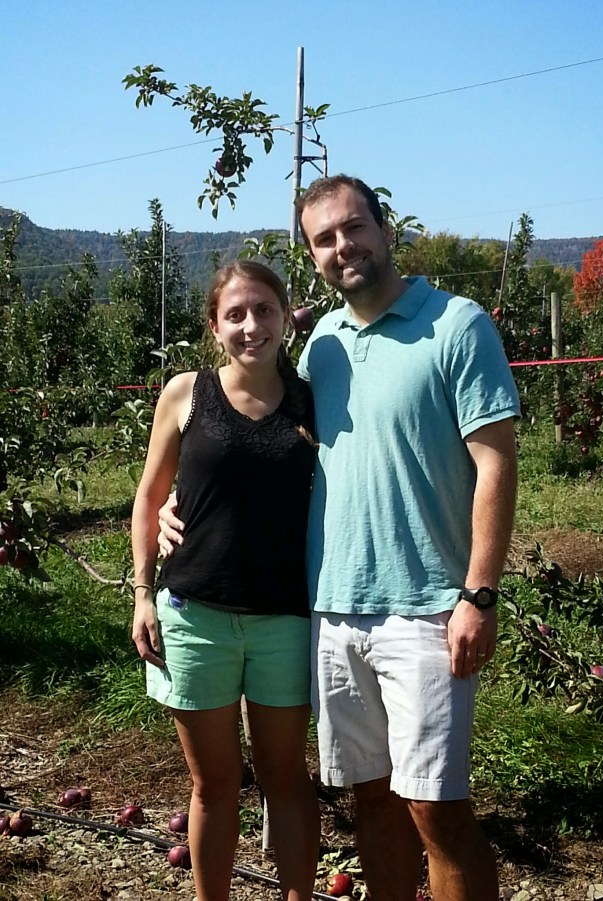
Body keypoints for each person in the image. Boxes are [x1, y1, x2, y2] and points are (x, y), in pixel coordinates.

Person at [160, 175, 520, 901]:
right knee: (372, 802)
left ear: (385, 229)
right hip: (330, 608)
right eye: (323, 239)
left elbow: (497, 462)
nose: (342, 246)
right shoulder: (322, 343)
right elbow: (261, 441)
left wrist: (479, 593)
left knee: (437, 810)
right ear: (313, 256)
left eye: (354, 227)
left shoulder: (457, 324)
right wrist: (180, 498)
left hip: (427, 608)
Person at [131, 260, 320, 901]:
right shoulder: (186, 395)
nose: (250, 326)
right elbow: (149, 495)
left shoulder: (311, 400)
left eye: (264, 310)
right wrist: (142, 593)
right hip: (194, 615)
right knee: (213, 785)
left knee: (284, 778)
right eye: (234, 314)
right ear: (214, 327)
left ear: (285, 318)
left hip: (285, 619)